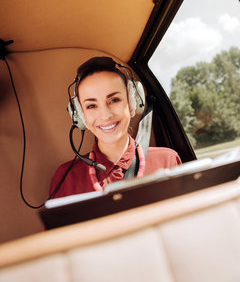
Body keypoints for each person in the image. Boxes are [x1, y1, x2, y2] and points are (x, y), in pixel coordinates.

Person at [49, 57, 181, 199]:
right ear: (80, 116)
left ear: (132, 101)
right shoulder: (65, 179)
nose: (105, 115)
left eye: (114, 100)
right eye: (91, 106)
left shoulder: (167, 160)